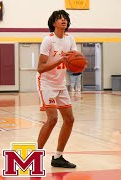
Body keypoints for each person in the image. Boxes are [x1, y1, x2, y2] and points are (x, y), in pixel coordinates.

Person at [36, 9, 77, 168]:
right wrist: (61, 59)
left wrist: (77, 63)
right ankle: (35, 156)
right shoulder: (48, 40)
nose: (63, 20)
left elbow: (73, 63)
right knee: (52, 119)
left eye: (65, 18)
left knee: (70, 119)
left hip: (60, 84)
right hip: (46, 83)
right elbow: (40, 68)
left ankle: (58, 157)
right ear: (53, 23)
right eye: (60, 18)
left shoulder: (70, 39)